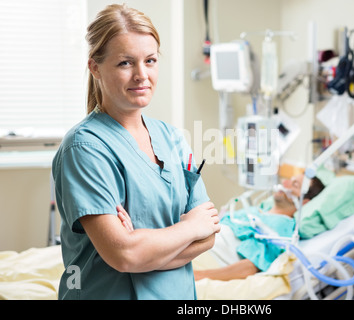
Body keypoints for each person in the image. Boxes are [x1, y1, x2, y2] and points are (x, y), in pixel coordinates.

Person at [52, 4, 220, 300]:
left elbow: (208, 236)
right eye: (125, 63)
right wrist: (189, 227)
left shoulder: (172, 138)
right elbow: (125, 255)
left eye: (150, 60)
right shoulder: (85, 149)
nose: (142, 75)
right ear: (95, 67)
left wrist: (144, 245)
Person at [192, 173, 325, 281]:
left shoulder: (283, 226)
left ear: (304, 202)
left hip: (207, 258)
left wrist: (200, 276)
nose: (285, 183)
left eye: (294, 184)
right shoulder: (256, 211)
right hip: (194, 245)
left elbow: (250, 267)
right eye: (290, 179)